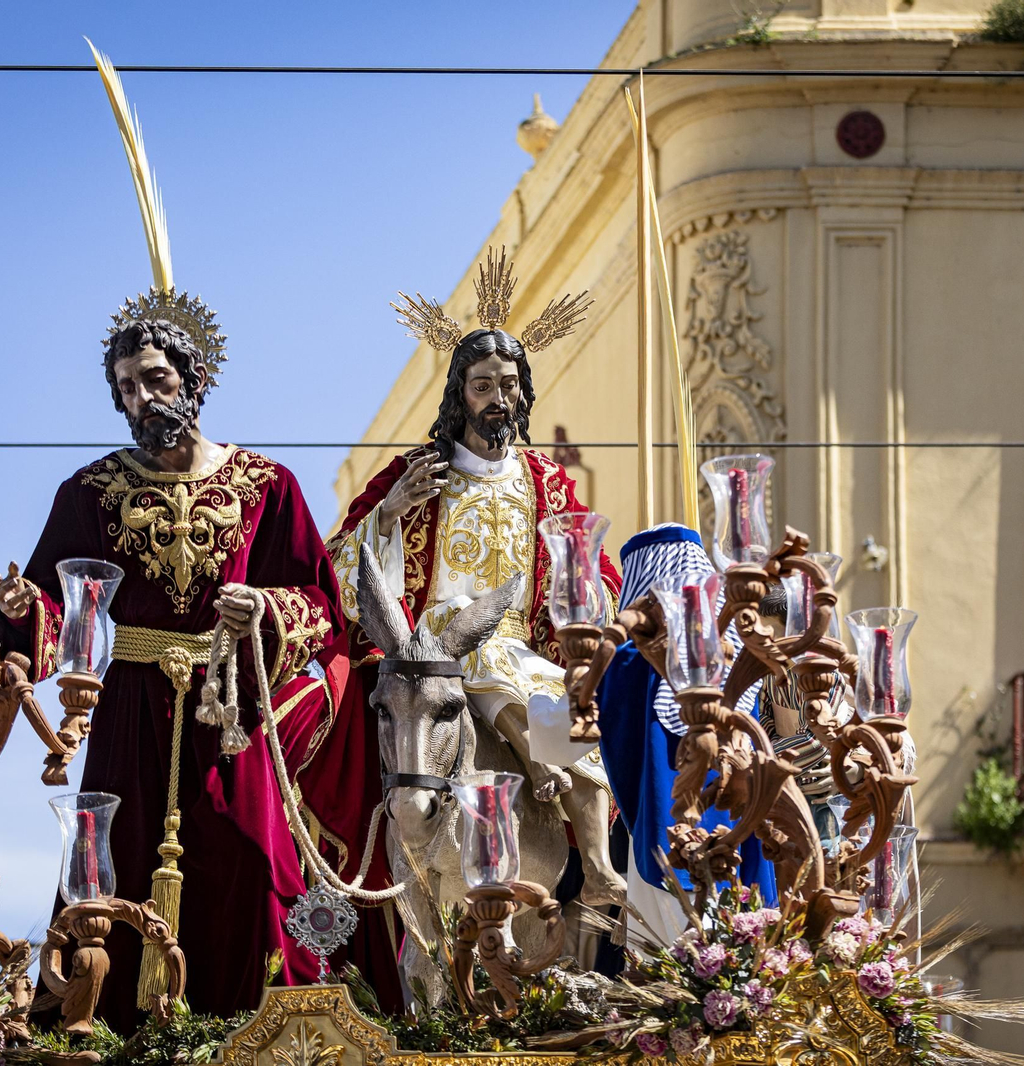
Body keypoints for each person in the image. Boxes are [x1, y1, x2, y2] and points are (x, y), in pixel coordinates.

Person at [0, 46, 398, 1026]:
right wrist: (23, 612)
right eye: (126, 386)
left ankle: (252, 1029)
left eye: (157, 379)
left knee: (239, 857)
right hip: (127, 708)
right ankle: (110, 1028)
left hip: (229, 710)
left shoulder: (267, 485)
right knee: (110, 864)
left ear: (195, 377)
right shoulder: (88, 488)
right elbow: (53, 603)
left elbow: (322, 611)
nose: (141, 397)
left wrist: (266, 609)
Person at [330, 247, 626, 906]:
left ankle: (600, 864)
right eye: (484, 385)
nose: (499, 399)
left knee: (579, 721)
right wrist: (393, 509)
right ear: (460, 393)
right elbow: (340, 564)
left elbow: (591, 565)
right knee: (487, 683)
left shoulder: (544, 479)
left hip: (519, 645)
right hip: (432, 648)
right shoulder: (417, 471)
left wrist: (594, 601)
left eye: (509, 385)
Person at [594, 524, 775, 948]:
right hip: (737, 831)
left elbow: (608, 740)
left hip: (660, 833)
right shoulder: (733, 649)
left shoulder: (623, 660)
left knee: (663, 972)